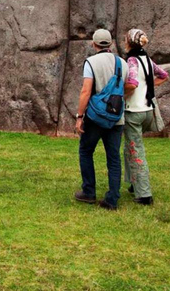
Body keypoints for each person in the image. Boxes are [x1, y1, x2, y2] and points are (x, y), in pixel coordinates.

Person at [74, 29, 128, 210]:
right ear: (111, 44)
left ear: (94, 44)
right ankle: (112, 198)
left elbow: (86, 91)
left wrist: (80, 116)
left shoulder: (91, 62)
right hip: (116, 118)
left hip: (96, 117)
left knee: (86, 151)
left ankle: (88, 192)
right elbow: (126, 87)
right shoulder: (122, 63)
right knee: (113, 157)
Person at [123, 28, 169, 205]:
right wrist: (148, 88)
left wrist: (119, 92)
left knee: (135, 150)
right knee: (129, 148)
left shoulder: (133, 60)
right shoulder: (147, 59)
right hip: (148, 109)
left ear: (130, 42)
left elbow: (132, 83)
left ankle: (144, 194)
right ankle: (135, 183)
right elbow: (163, 75)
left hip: (134, 111)